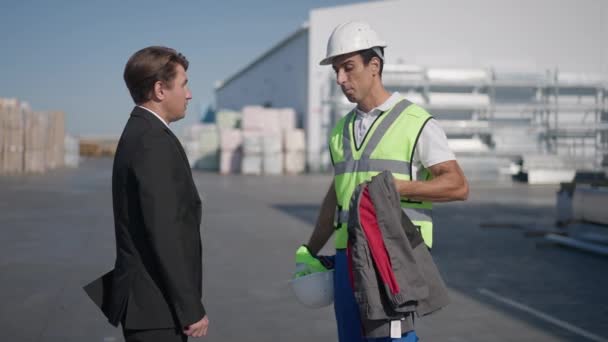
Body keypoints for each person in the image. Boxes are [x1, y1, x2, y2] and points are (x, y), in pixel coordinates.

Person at [298, 21, 469, 342]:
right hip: (345, 255)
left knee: (391, 340)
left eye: (348, 68)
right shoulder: (340, 131)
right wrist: (310, 248)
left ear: (374, 66)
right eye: (336, 70)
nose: (340, 79)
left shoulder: (415, 122)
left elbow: (457, 185)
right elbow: (337, 194)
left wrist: (395, 187)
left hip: (389, 256)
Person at [84, 46, 208, 342]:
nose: (189, 94)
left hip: (151, 303)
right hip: (156, 307)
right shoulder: (152, 142)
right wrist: (190, 308)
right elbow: (165, 232)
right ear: (159, 90)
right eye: (184, 84)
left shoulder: (142, 132)